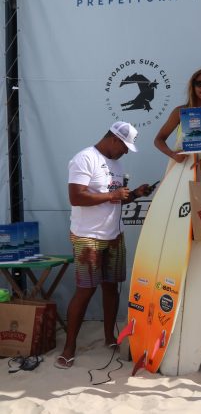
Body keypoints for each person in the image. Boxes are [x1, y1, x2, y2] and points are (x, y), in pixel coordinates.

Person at [56, 122, 153, 369]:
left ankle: (110, 337)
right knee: (85, 291)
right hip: (88, 237)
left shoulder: (116, 163)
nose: (126, 152)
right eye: (124, 147)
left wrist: (135, 194)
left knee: (111, 288)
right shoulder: (84, 158)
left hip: (114, 235)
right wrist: (113, 195)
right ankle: (69, 349)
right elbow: (76, 197)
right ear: (113, 139)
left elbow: (116, 198)